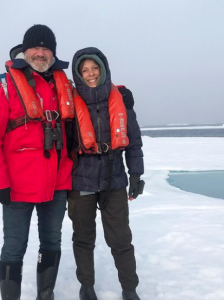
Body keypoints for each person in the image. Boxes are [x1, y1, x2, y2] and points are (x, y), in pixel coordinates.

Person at [0, 24, 73, 300]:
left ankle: (45, 295)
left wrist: (122, 93)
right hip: (16, 186)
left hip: (57, 182)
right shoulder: (2, 87)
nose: (41, 53)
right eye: (36, 47)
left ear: (53, 53)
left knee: (52, 241)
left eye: (47, 48)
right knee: (14, 247)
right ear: (24, 49)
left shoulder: (63, 84)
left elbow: (95, 91)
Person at [67, 47, 145, 300]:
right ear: (78, 74)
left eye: (94, 68)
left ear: (103, 69)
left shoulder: (121, 98)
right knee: (83, 238)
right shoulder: (68, 100)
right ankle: (86, 286)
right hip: (81, 179)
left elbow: (133, 141)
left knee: (121, 239)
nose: (90, 74)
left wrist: (136, 174)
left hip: (115, 179)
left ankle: (129, 289)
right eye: (84, 70)